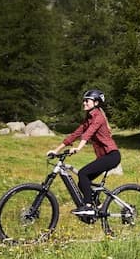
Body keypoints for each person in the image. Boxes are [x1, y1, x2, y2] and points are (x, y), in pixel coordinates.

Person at [48, 88, 121, 217]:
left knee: (83, 173)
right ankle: (98, 206)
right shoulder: (88, 119)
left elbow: (88, 134)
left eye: (87, 101)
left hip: (112, 156)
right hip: (104, 157)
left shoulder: (98, 117)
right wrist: (56, 150)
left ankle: (88, 206)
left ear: (96, 103)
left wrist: (78, 148)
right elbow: (75, 134)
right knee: (83, 182)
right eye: (84, 101)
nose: (84, 103)